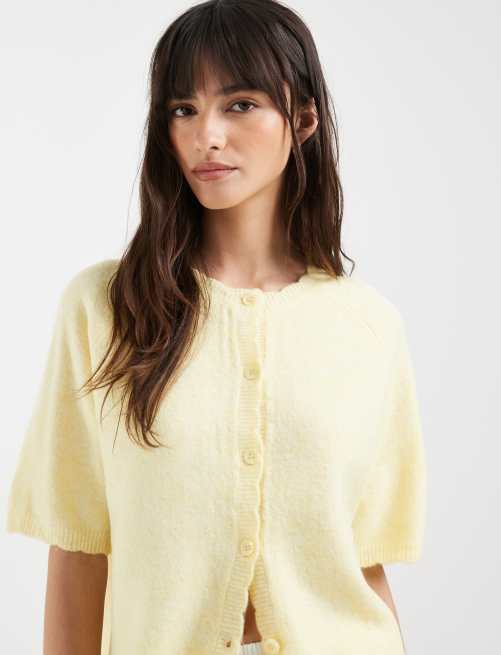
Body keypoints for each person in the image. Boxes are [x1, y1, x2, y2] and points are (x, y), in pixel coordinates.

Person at [5, 1, 427, 654]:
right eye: (183, 109)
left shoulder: (369, 326)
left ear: (303, 118)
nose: (207, 135)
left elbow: (363, 563)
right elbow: (79, 546)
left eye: (239, 104)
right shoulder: (104, 308)